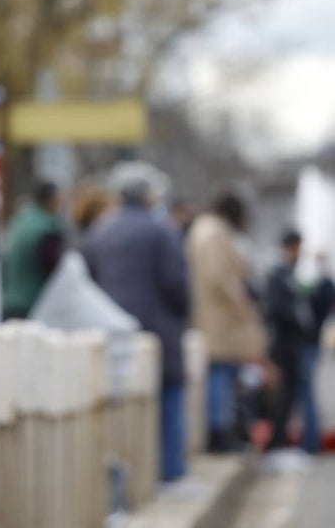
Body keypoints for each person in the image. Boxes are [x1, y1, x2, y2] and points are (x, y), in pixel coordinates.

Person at [83, 161, 190, 483]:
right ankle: (169, 473)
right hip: (159, 332)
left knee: (121, 412)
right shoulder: (162, 230)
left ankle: (129, 481)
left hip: (113, 334)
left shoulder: (101, 230)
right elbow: (177, 284)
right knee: (168, 404)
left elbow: (90, 278)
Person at [186, 190, 267, 453]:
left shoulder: (207, 230)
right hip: (221, 320)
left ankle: (225, 428)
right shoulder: (212, 233)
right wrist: (242, 301)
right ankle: (218, 431)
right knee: (220, 376)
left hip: (221, 320)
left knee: (225, 375)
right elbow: (219, 276)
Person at [264, 230, 335, 454]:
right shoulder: (281, 275)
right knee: (295, 393)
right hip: (290, 344)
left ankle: (307, 443)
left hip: (301, 343)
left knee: (300, 392)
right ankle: (302, 442)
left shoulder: (311, 281)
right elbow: (280, 310)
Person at [0, 180, 65, 320]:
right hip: (32, 304)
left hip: (10, 301)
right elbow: (53, 269)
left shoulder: (20, 219)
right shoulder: (45, 227)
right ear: (51, 201)